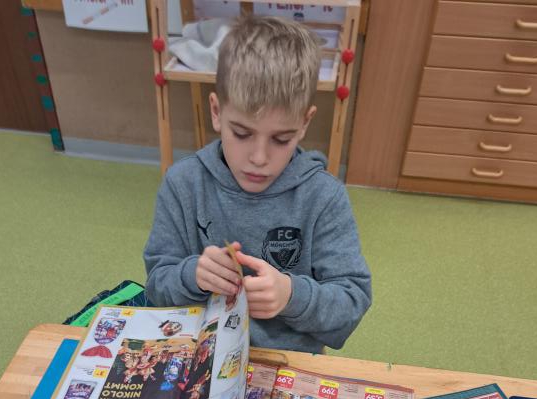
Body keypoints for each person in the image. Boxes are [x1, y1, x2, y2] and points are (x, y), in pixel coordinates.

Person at [143, 15, 371, 353]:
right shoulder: (183, 184)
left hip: (288, 363)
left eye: (281, 139)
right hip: (201, 354)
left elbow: (352, 301)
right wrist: (193, 275)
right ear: (216, 112)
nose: (259, 158)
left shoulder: (323, 196)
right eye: (242, 133)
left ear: (305, 123)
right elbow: (156, 286)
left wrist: (292, 295)